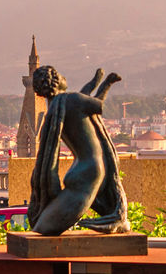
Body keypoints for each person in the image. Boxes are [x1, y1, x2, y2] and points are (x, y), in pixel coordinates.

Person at [26, 65, 128, 236]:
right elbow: (98, 104)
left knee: (46, 225)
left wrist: (96, 81)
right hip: (91, 169)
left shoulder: (57, 106)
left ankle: (117, 220)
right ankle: (117, 219)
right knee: (47, 227)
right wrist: (107, 84)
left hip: (80, 169)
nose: (65, 77)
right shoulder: (71, 100)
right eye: (61, 75)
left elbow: (83, 96)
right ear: (57, 81)